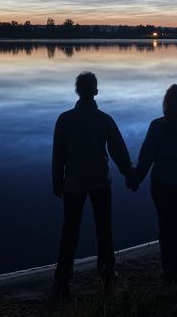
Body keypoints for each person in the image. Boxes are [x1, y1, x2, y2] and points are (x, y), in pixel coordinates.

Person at [52, 71, 133, 294]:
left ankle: (62, 277)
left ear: (77, 91)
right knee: (104, 229)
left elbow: (58, 156)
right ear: (95, 91)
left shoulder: (64, 119)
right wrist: (129, 174)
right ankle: (107, 272)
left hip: (73, 184)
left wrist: (57, 183)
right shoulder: (104, 119)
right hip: (99, 182)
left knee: (70, 231)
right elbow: (119, 152)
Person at [128, 84, 177, 283]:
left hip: (161, 184)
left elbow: (146, 158)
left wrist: (135, 179)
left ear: (166, 103)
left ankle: (167, 271)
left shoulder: (157, 126)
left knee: (165, 228)